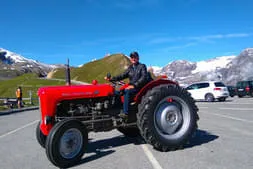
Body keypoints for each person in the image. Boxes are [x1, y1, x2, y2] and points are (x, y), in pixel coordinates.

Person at [105, 51, 149, 119]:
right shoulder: (130, 68)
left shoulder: (142, 66)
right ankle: (116, 110)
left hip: (139, 87)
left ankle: (126, 113)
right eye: (132, 57)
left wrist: (134, 85)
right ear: (131, 59)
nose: (133, 59)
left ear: (138, 58)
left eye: (135, 57)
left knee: (126, 91)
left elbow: (144, 77)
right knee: (117, 92)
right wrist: (111, 79)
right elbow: (122, 75)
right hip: (132, 86)